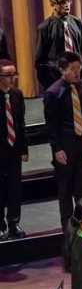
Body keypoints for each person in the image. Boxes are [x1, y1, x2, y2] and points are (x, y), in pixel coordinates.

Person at [44, 52, 82, 226]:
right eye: (72, 69)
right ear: (62, 70)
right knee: (65, 189)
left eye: (78, 68)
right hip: (65, 147)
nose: (76, 72)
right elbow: (52, 125)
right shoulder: (53, 92)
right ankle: (68, 227)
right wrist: (57, 148)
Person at [34, 0, 82, 93]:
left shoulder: (78, 23)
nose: (67, 4)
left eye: (68, 0)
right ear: (53, 4)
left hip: (78, 81)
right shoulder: (45, 28)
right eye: (62, 2)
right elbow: (40, 62)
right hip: (56, 83)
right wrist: (51, 85)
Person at [0, 60, 27, 240]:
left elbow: (21, 124)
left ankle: (14, 221)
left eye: (14, 75)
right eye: (9, 75)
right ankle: (0, 225)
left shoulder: (17, 95)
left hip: (14, 150)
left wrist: (24, 148)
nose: (12, 79)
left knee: (15, 188)